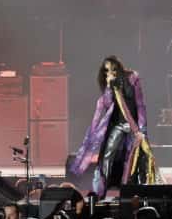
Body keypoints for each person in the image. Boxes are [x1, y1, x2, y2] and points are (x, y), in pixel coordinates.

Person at [69, 56, 161, 197]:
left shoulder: (132, 77)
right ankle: (100, 190)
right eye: (106, 70)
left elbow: (140, 104)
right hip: (117, 124)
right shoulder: (110, 84)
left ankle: (129, 190)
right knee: (107, 155)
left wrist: (141, 129)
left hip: (134, 126)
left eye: (113, 68)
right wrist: (108, 86)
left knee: (132, 157)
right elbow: (106, 104)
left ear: (119, 67)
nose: (110, 72)